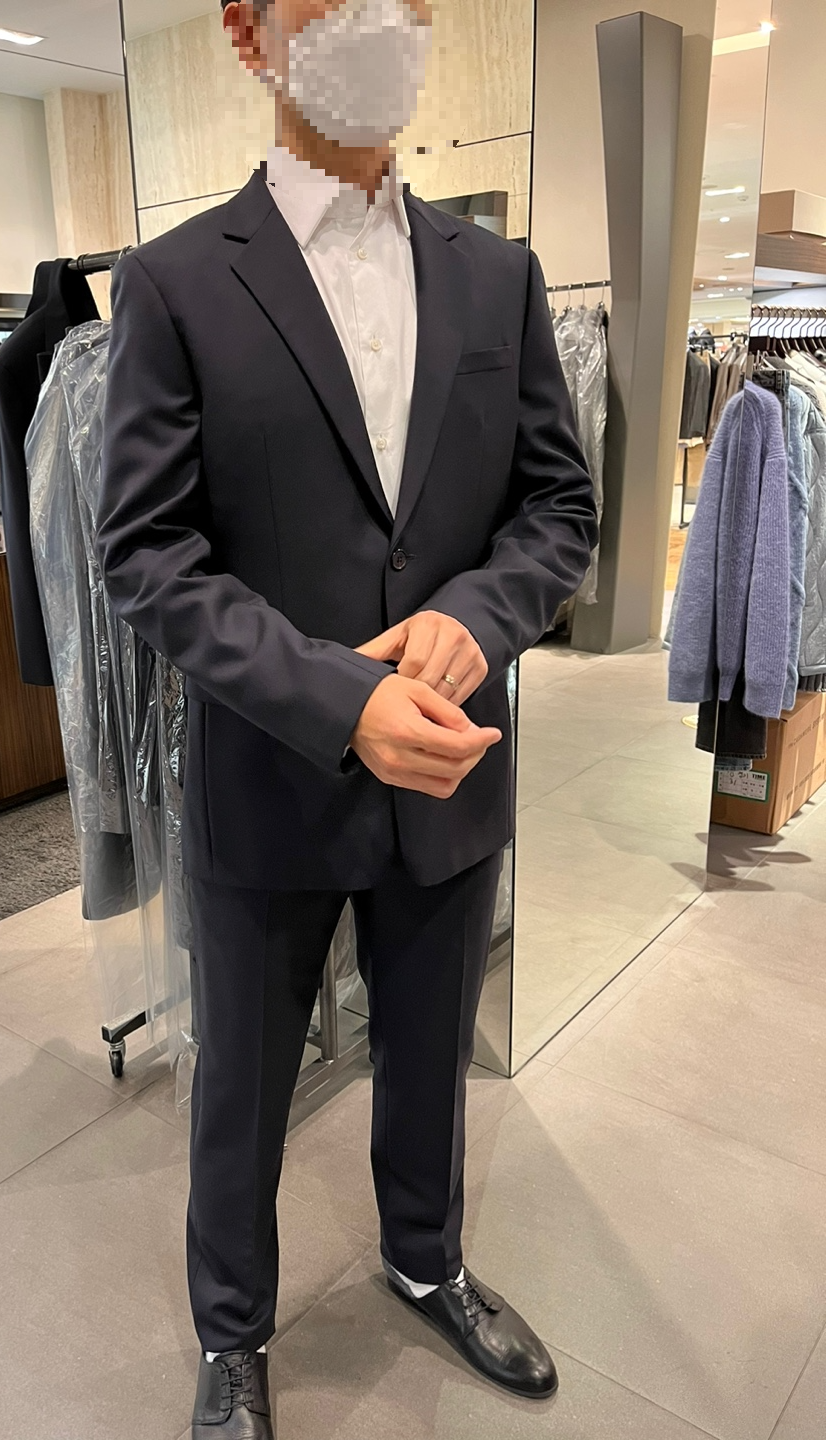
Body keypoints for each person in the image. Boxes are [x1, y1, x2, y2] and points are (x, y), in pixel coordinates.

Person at [96, 2, 598, 1435]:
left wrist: (477, 620)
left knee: (432, 1053)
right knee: (243, 1087)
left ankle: (427, 1261)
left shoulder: (498, 276)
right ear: (249, 30)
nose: (380, 21)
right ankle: (233, 1334)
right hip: (269, 774)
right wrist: (337, 696)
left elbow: (557, 507)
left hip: (452, 768)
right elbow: (146, 552)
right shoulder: (177, 283)